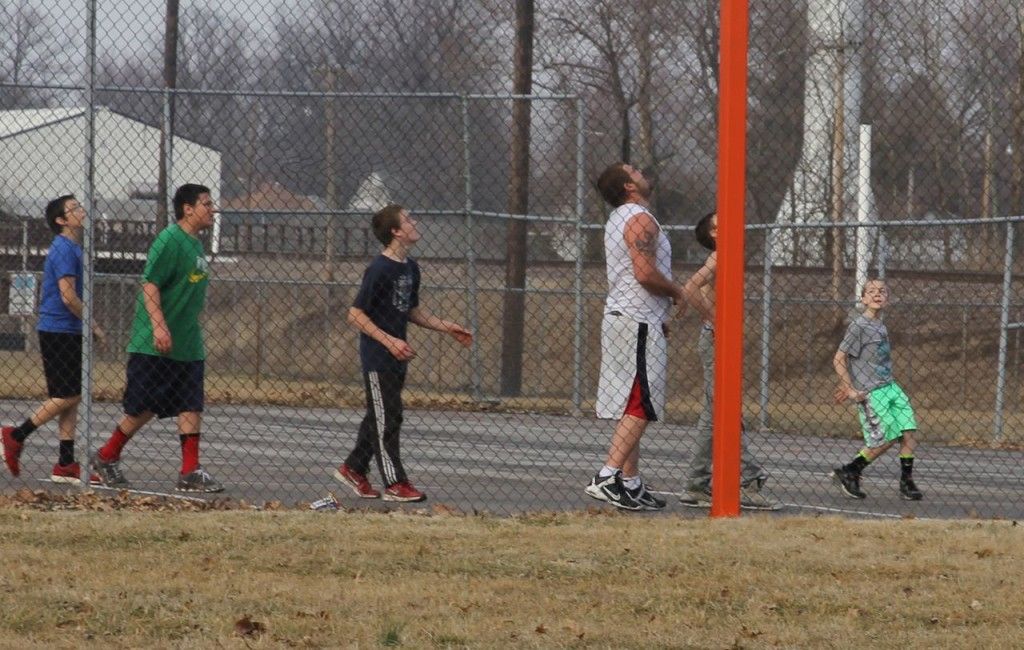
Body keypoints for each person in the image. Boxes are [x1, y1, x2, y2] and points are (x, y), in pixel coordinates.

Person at [333, 204, 472, 502]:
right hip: (378, 357)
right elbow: (356, 315)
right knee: (386, 421)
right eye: (409, 219)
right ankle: (395, 484)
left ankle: (354, 468)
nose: (415, 222)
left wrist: (446, 326)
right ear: (395, 231)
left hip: (398, 356)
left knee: (385, 416)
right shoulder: (379, 269)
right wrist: (389, 341)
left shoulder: (410, 268)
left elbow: (412, 312)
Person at [90, 183, 224, 493]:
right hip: (155, 342)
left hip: (188, 343)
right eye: (206, 203)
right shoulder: (169, 240)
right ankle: (106, 456)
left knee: (191, 403)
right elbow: (150, 284)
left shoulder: (197, 245)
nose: (212, 209)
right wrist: (159, 326)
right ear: (187, 208)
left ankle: (190, 471)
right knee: (144, 406)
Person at [585, 163, 681, 511]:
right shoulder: (640, 219)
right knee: (641, 403)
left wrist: (660, 313)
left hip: (631, 318)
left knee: (632, 403)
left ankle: (630, 481)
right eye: (634, 170)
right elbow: (644, 273)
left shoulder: (621, 218)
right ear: (628, 186)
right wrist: (677, 292)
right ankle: (607, 476)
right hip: (635, 320)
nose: (642, 171)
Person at [1, 195, 105, 484]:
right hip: (58, 329)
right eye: (74, 209)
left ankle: (65, 463)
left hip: (68, 330)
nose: (81, 211)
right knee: (69, 394)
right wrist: (93, 324)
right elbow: (68, 296)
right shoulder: (63, 249)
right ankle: (15, 435)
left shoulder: (73, 248)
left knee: (70, 397)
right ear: (61, 220)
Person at [678, 212, 779, 510]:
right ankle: (748, 479)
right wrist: (714, 318)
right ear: (714, 235)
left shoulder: (730, 256)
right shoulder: (719, 257)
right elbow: (690, 287)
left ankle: (696, 484)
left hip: (723, 338)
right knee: (726, 411)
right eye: (722, 225)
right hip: (716, 339)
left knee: (714, 415)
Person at [831, 278, 923, 501]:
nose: (877, 294)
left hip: (890, 386)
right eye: (871, 291)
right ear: (863, 299)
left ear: (887, 299)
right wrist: (850, 388)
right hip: (871, 392)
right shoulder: (859, 326)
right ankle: (851, 470)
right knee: (886, 438)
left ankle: (906, 482)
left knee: (908, 431)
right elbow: (839, 358)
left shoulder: (880, 325)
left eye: (882, 291)